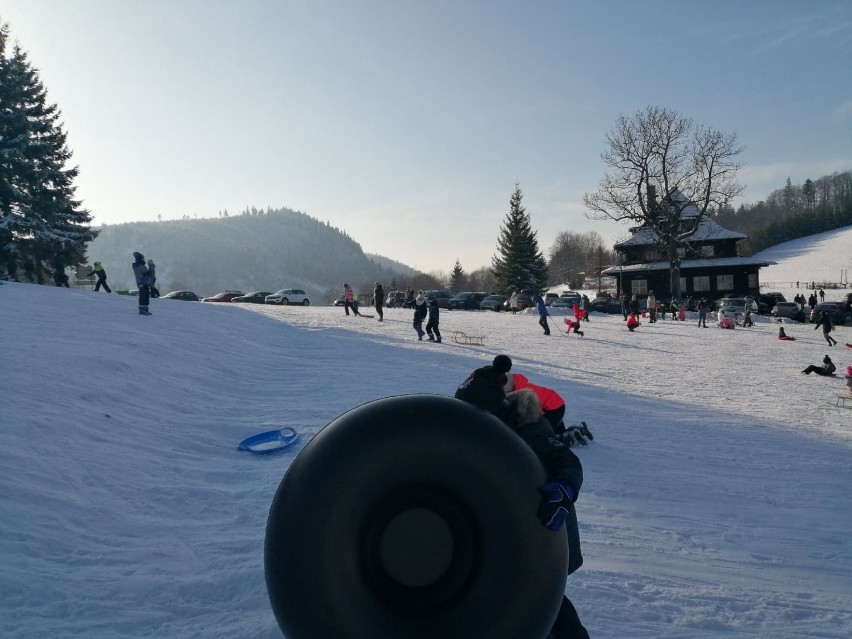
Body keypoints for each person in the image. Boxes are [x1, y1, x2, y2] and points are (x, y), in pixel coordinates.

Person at [502, 389, 590, 639]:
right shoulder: (507, 438)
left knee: (543, 603)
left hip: (549, 540)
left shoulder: (533, 435)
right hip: (535, 541)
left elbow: (568, 462)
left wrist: (565, 488)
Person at [454, 354, 513, 419]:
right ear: (508, 368)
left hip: (456, 404)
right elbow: (497, 408)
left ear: (493, 362)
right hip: (469, 415)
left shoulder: (479, 374)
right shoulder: (496, 387)